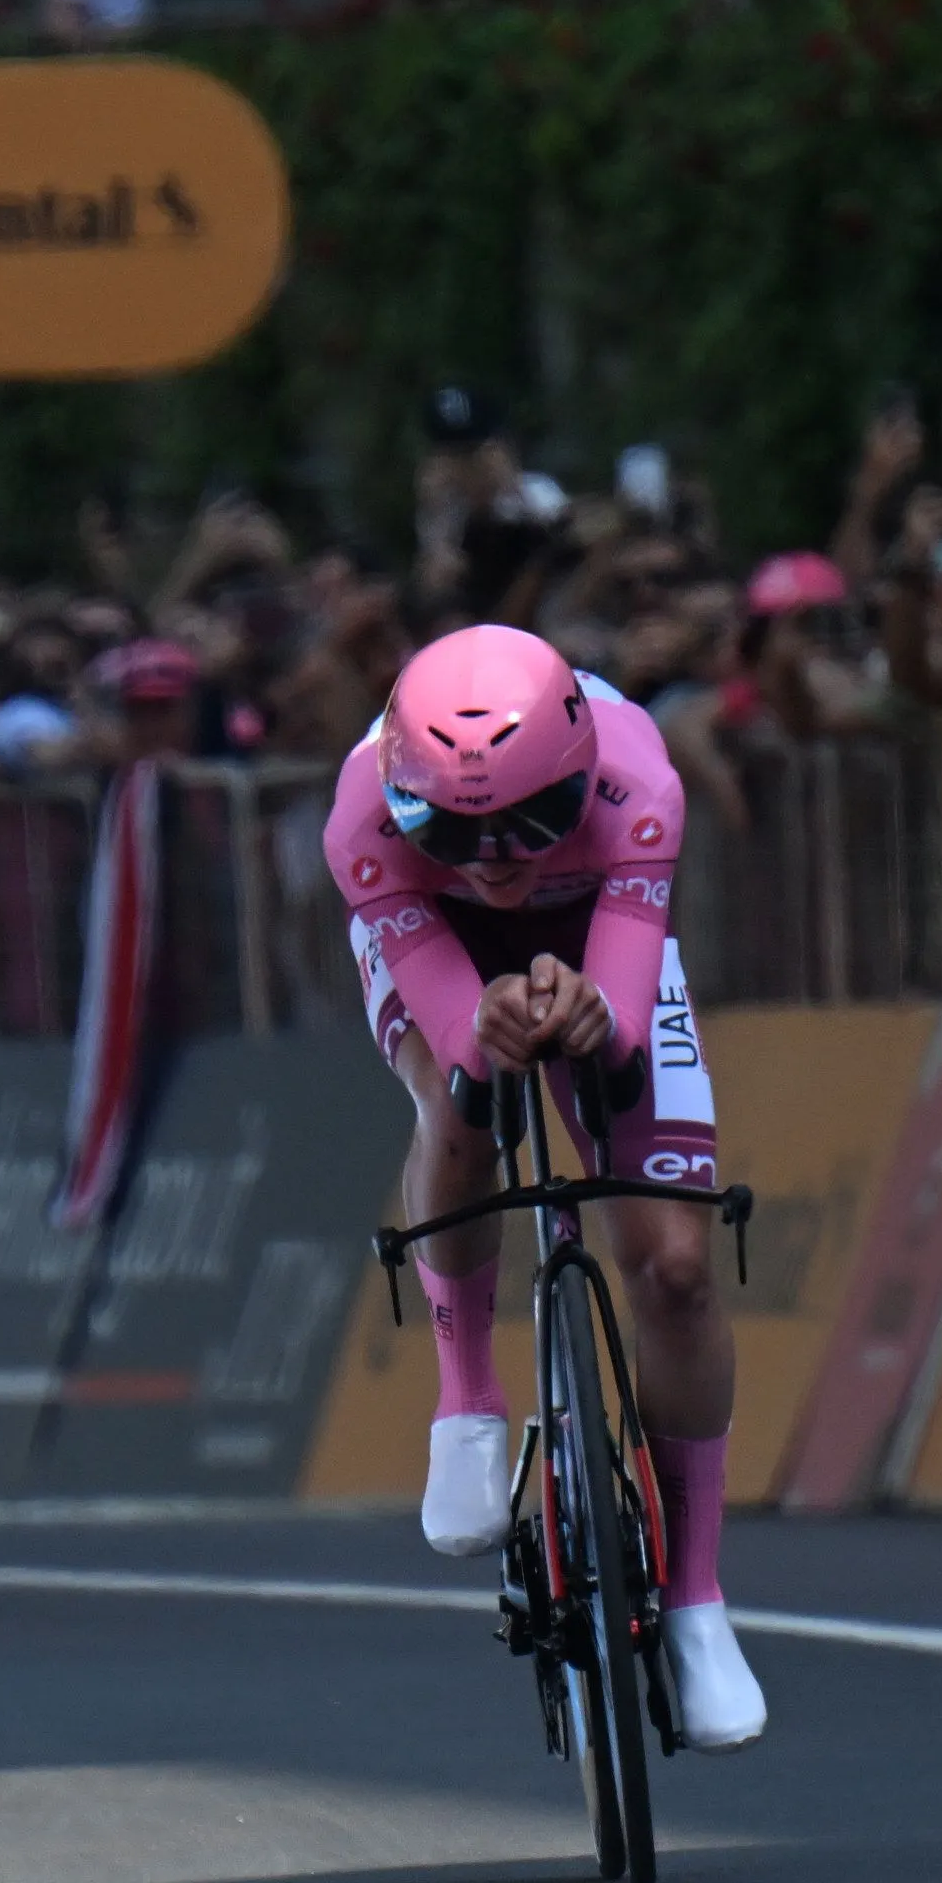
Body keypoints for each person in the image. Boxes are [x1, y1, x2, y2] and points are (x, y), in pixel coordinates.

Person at [323, 622, 765, 1750]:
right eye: (453, 826)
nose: (492, 854)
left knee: (670, 1266)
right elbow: (458, 1024)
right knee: (459, 1092)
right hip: (439, 940)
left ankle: (701, 1598)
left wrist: (585, 1011)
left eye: (528, 819)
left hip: (598, 914)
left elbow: (616, 1022)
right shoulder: (364, 819)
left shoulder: (638, 781)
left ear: (577, 780)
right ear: (401, 794)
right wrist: (489, 1024)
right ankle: (464, 1394)